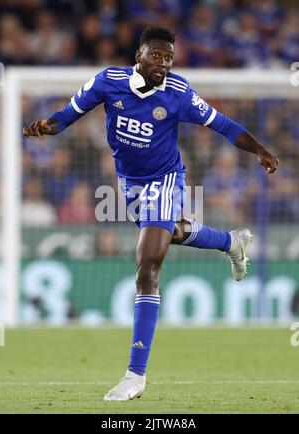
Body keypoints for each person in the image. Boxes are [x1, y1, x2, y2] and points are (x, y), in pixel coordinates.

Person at [23, 27, 279, 401]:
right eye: (157, 56)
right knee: (170, 232)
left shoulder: (178, 94)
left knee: (147, 266)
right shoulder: (108, 82)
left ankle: (135, 375)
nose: (163, 63)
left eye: (169, 57)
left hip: (165, 178)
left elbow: (224, 125)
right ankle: (232, 241)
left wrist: (260, 150)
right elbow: (69, 113)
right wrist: (49, 126)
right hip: (129, 183)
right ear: (139, 56)